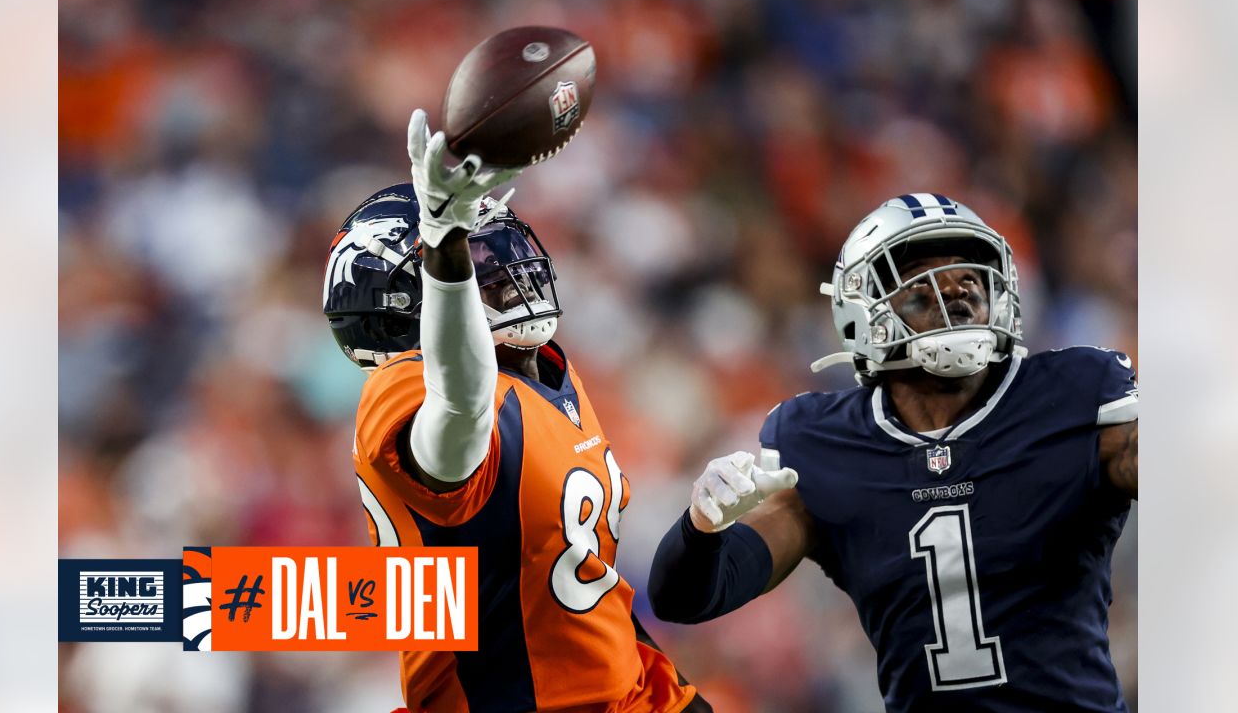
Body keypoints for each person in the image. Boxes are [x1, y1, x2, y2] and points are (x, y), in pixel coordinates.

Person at [648, 194, 1138, 712]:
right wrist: (700, 528)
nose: (956, 292)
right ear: (864, 310)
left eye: (969, 277)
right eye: (924, 282)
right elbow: (684, 598)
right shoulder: (823, 442)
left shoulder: (1070, 393)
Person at [322, 109, 707, 713]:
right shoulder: (404, 385)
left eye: (491, 250)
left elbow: (566, 577)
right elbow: (460, 403)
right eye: (476, 262)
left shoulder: (544, 369)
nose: (503, 272)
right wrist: (443, 247)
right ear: (411, 301)